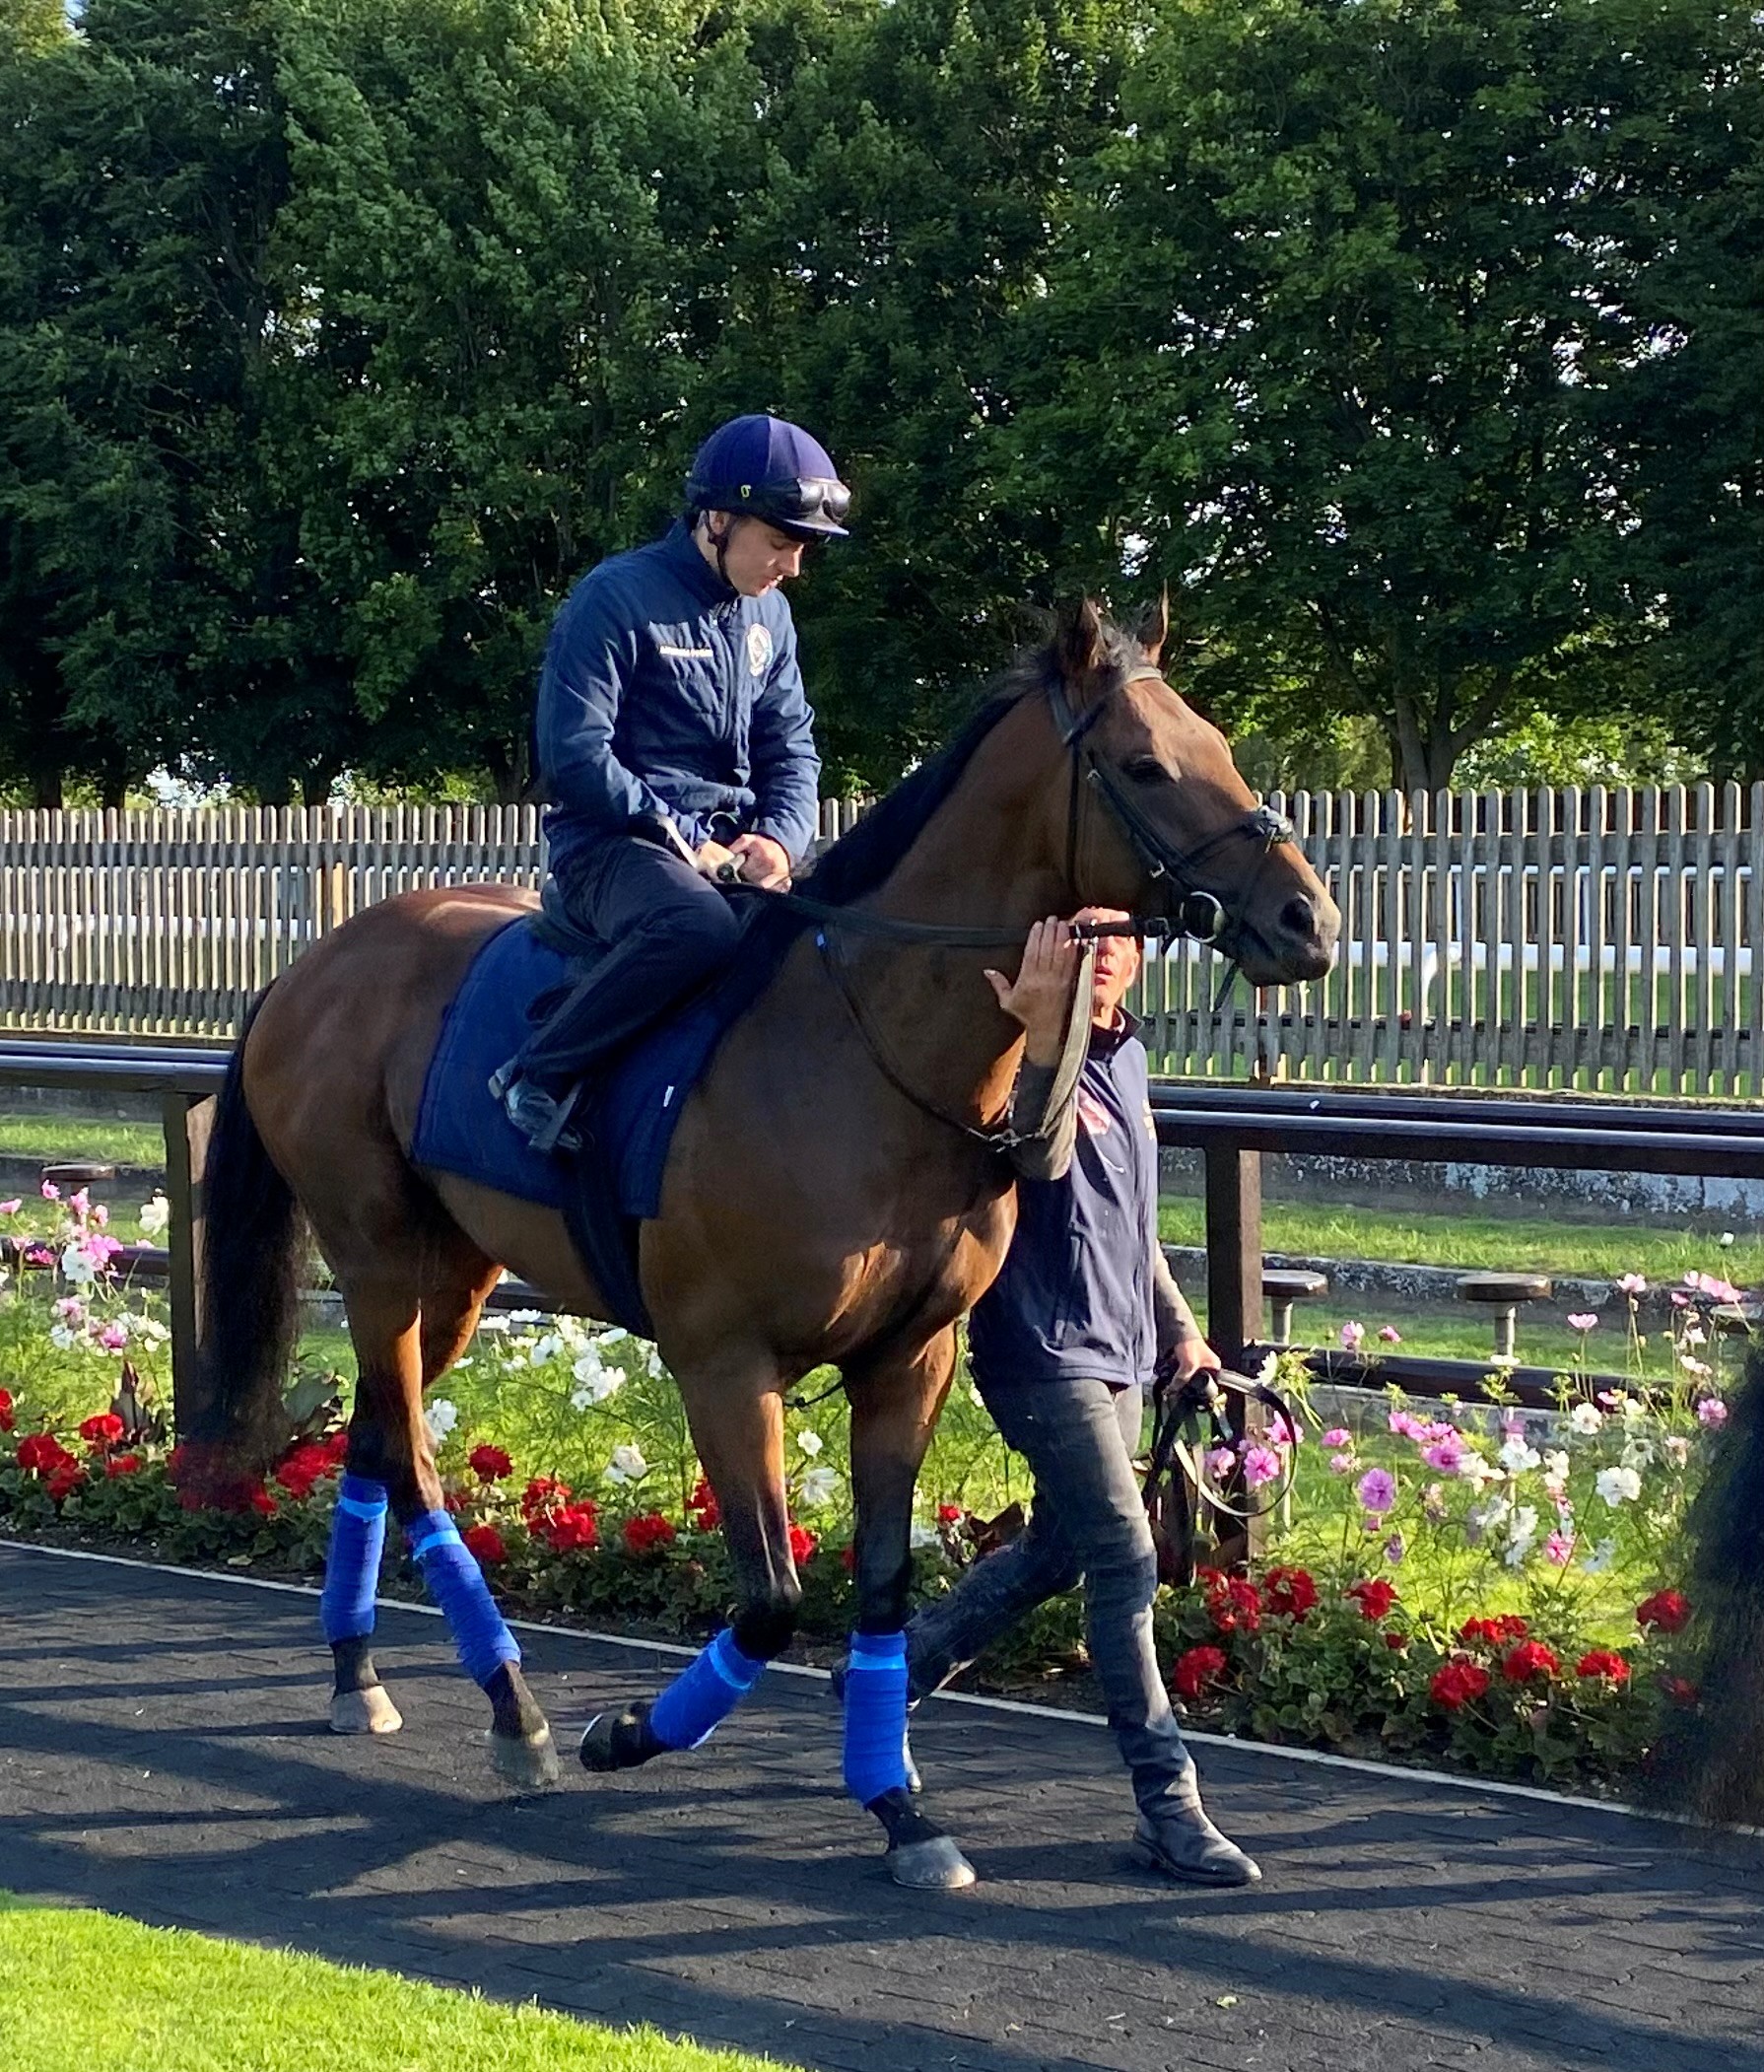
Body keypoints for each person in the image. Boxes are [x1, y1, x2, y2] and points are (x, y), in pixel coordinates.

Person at [903, 909, 1262, 1886]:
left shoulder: (1128, 1059)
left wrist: (1179, 1327)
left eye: (1118, 938)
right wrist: (1043, 1028)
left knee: (1055, 1553)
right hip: (1039, 1352)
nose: (1103, 951)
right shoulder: (1017, 1060)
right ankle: (1169, 1806)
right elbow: (1041, 1153)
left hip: (1121, 1350)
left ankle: (889, 1674)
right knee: (1123, 1558)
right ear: (1043, 951)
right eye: (1080, 935)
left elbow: (1129, 1220)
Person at [491, 414, 847, 1152]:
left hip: (728, 852)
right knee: (699, 926)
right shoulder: (614, 598)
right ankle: (539, 1074)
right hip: (610, 848)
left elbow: (793, 752)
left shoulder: (770, 619)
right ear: (718, 519)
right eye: (781, 542)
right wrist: (684, 840)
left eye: (804, 547)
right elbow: (575, 754)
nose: (794, 566)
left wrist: (780, 842)